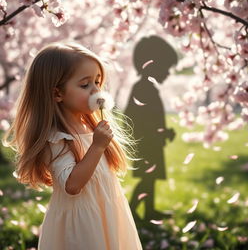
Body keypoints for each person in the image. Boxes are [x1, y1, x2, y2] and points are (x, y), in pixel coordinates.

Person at [2, 42, 143, 250]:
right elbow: (72, 185)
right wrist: (96, 147)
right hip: (82, 226)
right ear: (57, 94)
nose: (96, 91)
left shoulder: (91, 128)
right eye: (85, 85)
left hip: (109, 213)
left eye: (97, 82)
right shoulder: (57, 137)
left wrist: (99, 143)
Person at [125, 35, 177, 220]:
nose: (168, 73)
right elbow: (136, 118)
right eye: (166, 68)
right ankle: (131, 211)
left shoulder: (147, 88)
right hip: (146, 144)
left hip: (151, 143)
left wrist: (163, 132)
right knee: (147, 178)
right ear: (153, 65)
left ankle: (149, 210)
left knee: (150, 177)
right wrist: (157, 134)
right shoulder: (143, 88)